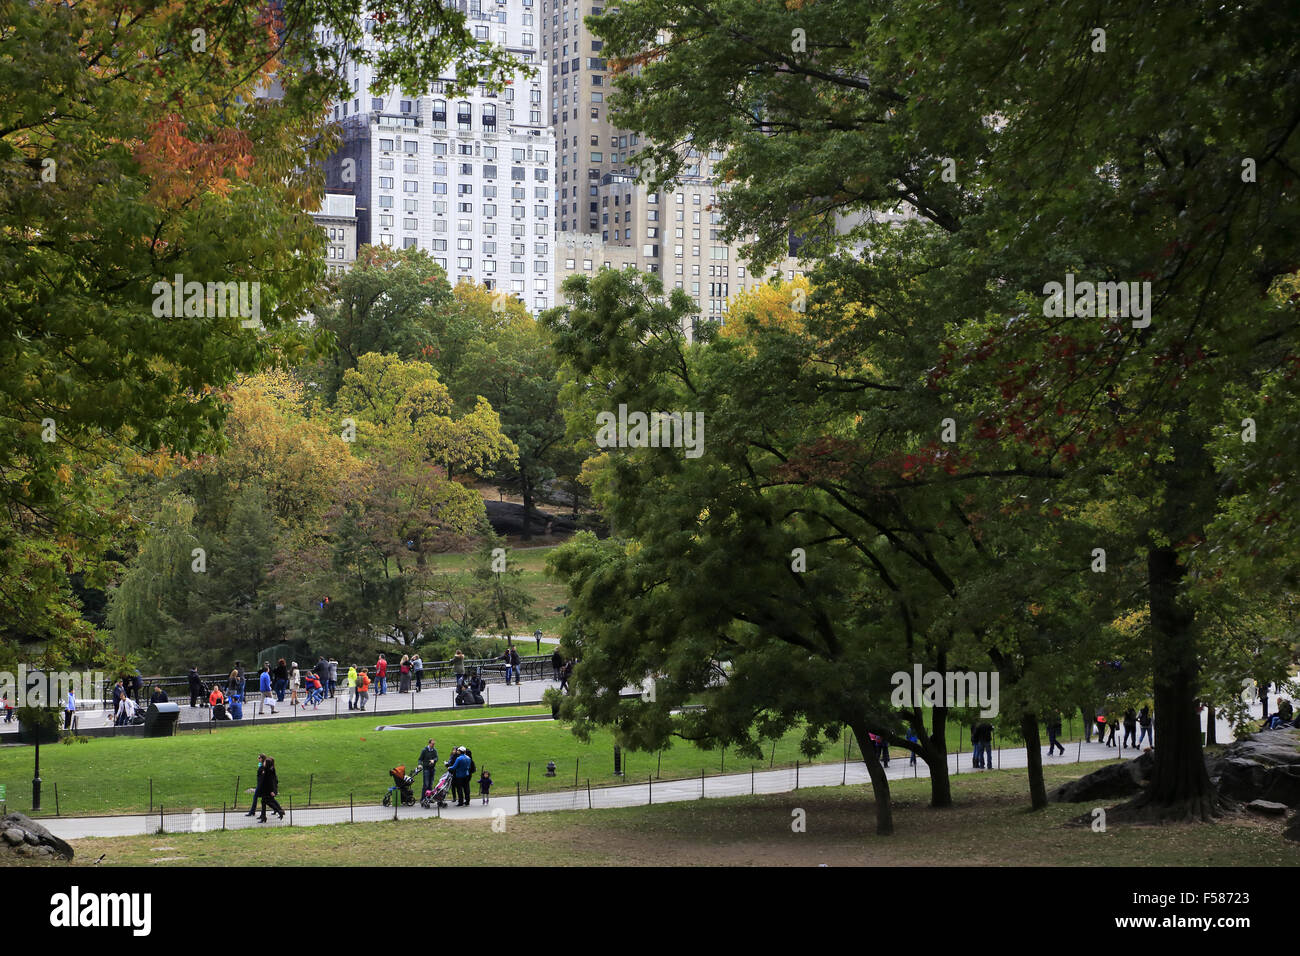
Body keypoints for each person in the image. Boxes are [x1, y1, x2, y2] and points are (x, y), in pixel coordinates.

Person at [258, 757, 285, 822]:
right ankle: (263, 817)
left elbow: (270, 782)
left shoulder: (268, 772)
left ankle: (279, 811)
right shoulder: (266, 770)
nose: (263, 763)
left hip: (267, 790)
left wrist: (272, 791)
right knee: (264, 802)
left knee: (267, 802)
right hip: (265, 790)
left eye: (265, 762)